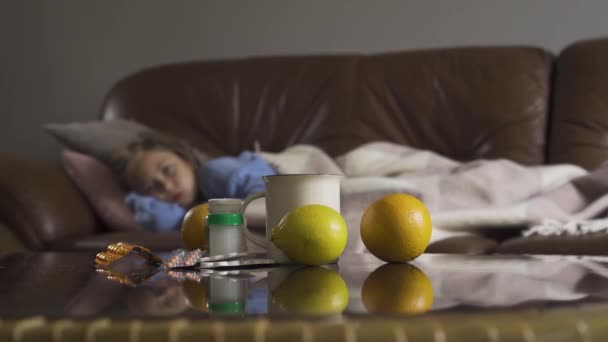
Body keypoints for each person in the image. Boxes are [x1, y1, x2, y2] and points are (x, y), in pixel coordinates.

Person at [110, 132, 276, 231]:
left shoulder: (215, 172)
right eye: (151, 187)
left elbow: (274, 204)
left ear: (186, 160)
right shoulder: (189, 208)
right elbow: (159, 220)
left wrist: (206, 216)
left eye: (168, 170)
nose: (167, 186)